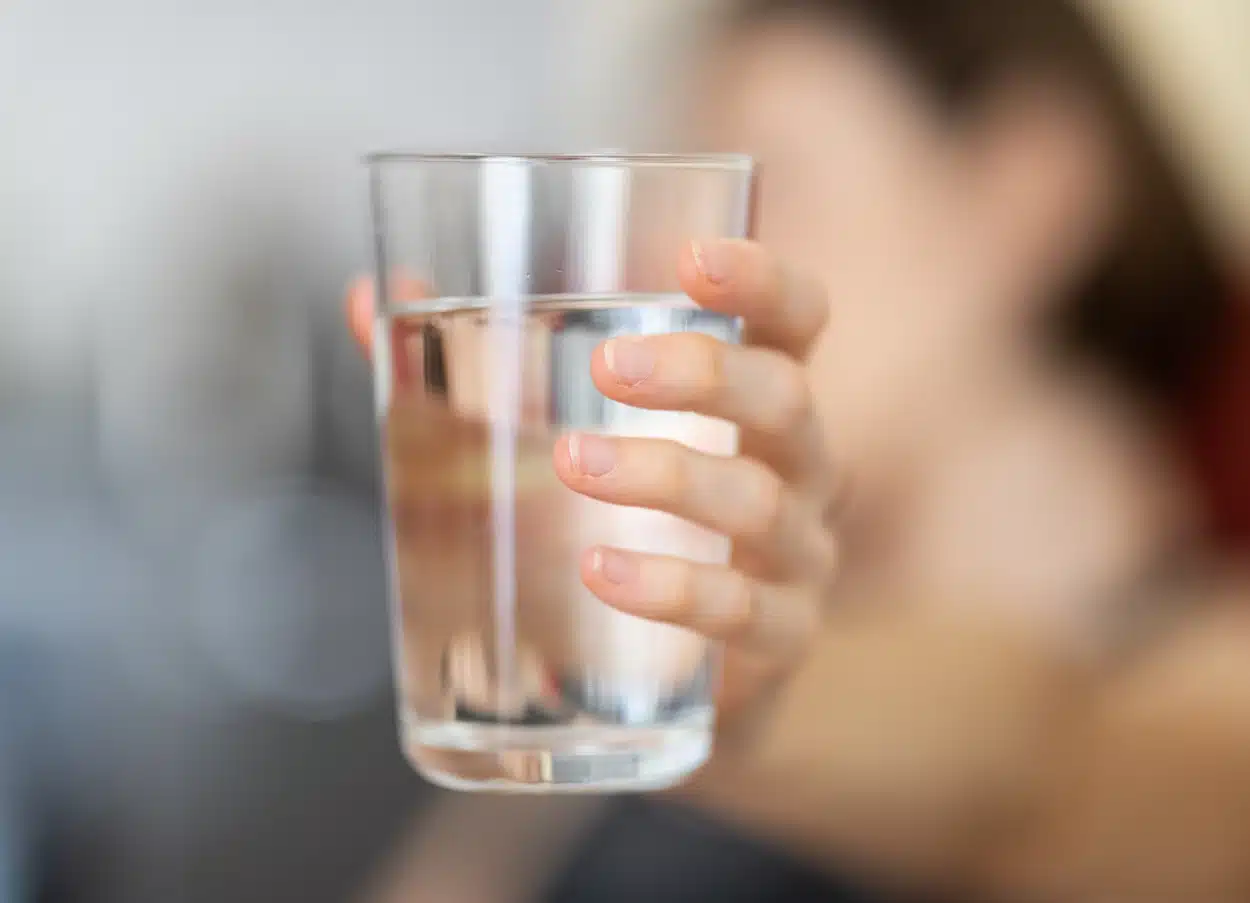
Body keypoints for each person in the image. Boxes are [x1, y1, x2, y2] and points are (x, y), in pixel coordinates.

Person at [347, 0, 1250, 900]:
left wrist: (740, 708)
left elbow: (1047, 774)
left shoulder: (1202, 671)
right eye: (670, 206)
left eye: (766, 194)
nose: (665, 263)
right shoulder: (647, 639)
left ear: (1027, 186)